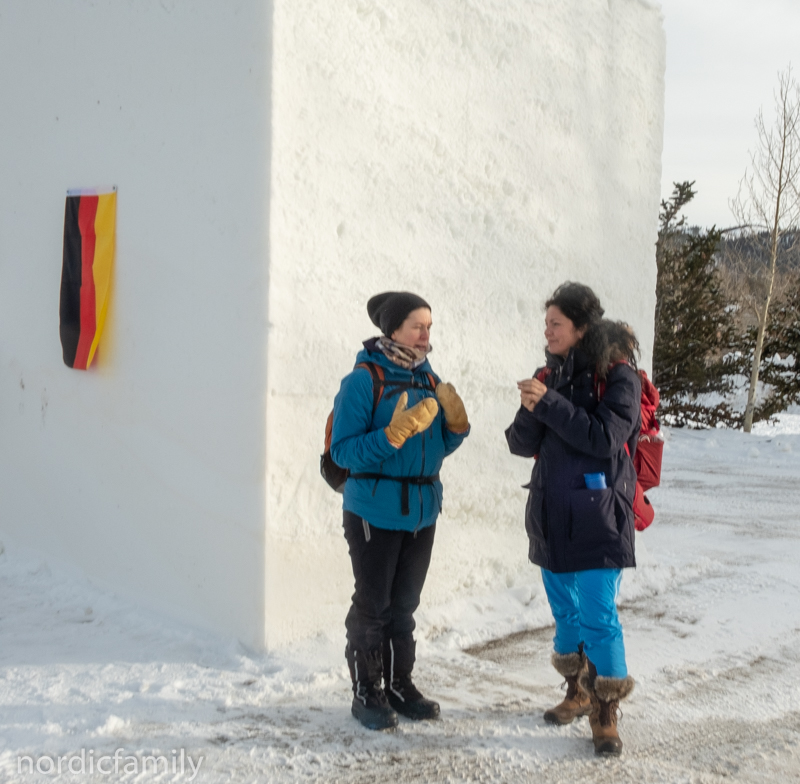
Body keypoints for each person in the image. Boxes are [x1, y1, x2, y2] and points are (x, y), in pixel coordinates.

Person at [505, 282, 641, 756]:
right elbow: (521, 444)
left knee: (598, 616)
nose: (548, 331)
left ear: (581, 328)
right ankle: (578, 690)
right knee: (565, 614)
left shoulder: (618, 375)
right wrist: (531, 407)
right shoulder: (550, 373)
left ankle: (606, 708)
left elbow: (603, 437)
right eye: (546, 324)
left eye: (555, 323)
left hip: (599, 513)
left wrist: (548, 403)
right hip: (549, 512)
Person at [331, 291, 470, 730]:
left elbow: (435, 449)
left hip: (422, 510)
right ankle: (367, 690)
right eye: (417, 325)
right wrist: (390, 436)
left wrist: (456, 429)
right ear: (392, 331)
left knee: (404, 607)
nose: (426, 334)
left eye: (429, 326)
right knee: (373, 605)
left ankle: (398, 683)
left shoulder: (429, 380)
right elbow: (343, 451)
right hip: (374, 508)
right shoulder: (363, 381)